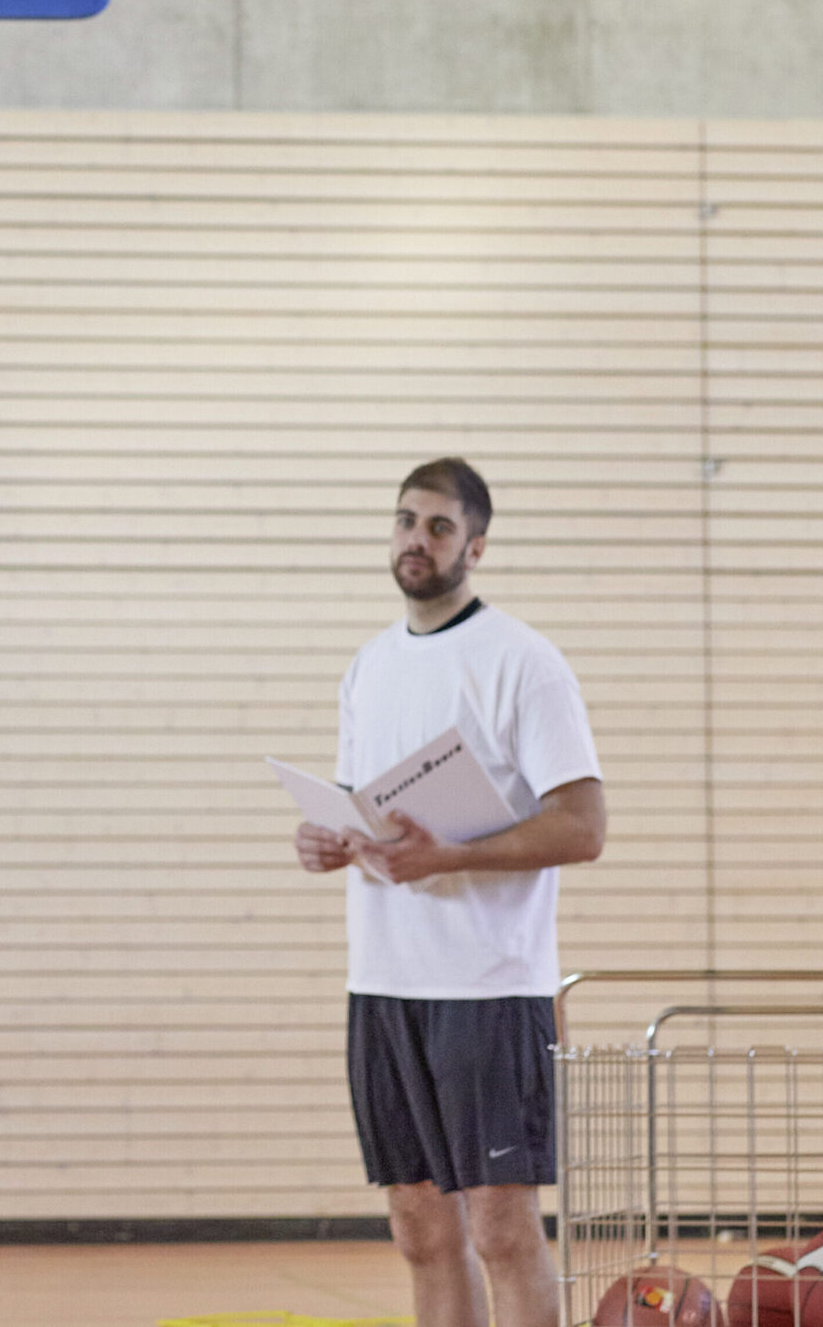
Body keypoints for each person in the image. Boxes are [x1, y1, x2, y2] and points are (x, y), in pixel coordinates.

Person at [294, 457, 609, 1327]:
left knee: (501, 1229)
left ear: (476, 545)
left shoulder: (524, 662)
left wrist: (452, 857)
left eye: (438, 526)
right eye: (406, 520)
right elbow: (366, 812)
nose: (417, 539)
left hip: (489, 988)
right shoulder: (368, 666)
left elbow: (583, 826)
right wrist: (328, 840)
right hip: (384, 983)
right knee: (421, 1229)